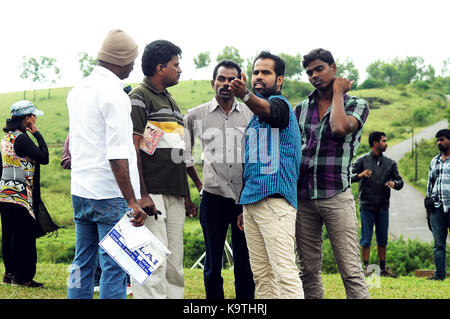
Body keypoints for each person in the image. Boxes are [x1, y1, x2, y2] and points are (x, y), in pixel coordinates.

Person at [66, 29, 147, 299]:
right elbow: (116, 153)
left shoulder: (77, 91)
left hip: (81, 190)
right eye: (133, 60)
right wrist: (132, 200)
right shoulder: (115, 95)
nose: (134, 65)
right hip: (110, 194)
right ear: (121, 60)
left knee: (82, 260)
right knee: (115, 265)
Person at [294, 48, 370, 299]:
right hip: (303, 197)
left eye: (319, 69)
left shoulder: (356, 104)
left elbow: (339, 128)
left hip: (336, 195)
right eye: (309, 72)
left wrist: (338, 91)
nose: (314, 75)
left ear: (333, 68)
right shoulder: (301, 108)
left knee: (350, 269)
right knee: (308, 270)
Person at [228, 51, 304, 299]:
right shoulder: (254, 119)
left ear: (279, 79)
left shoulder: (281, 105)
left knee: (284, 272)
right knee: (262, 275)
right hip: (252, 203)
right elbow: (252, 165)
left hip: (275, 201)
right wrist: (244, 205)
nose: (259, 76)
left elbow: (272, 111)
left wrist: (246, 96)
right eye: (255, 72)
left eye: (266, 72)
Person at [129, 39, 197, 299]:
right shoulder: (138, 97)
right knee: (152, 262)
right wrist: (142, 194)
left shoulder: (172, 103)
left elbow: (179, 153)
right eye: (175, 65)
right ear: (160, 68)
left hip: (175, 193)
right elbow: (132, 148)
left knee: (174, 264)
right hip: (151, 194)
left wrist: (187, 195)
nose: (179, 70)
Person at [184, 60, 255, 299]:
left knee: (245, 264)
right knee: (214, 263)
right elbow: (185, 156)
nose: (226, 84)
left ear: (240, 82)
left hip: (244, 200)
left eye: (231, 79)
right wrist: (199, 185)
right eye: (221, 79)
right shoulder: (196, 115)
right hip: (213, 197)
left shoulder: (251, 112)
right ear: (213, 82)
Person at [0, 100, 49, 288]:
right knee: (25, 236)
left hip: (4, 194)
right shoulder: (22, 138)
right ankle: (24, 277)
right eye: (33, 116)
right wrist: (37, 133)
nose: (35, 118)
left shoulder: (6, 138)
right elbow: (43, 157)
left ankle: (10, 273)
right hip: (19, 195)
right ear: (26, 119)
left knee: (10, 234)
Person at [351, 131, 404, 278]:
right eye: (384, 141)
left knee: (382, 239)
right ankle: (366, 269)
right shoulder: (361, 161)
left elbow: (400, 182)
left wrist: (394, 183)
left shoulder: (390, 163)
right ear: (375, 143)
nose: (386, 143)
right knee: (366, 238)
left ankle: (382, 269)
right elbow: (349, 177)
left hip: (383, 206)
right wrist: (360, 175)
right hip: (366, 205)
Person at [425, 128, 450, 281]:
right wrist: (427, 205)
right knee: (438, 244)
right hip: (437, 207)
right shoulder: (434, 161)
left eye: (442, 139)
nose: (439, 143)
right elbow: (429, 184)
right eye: (437, 140)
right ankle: (439, 275)